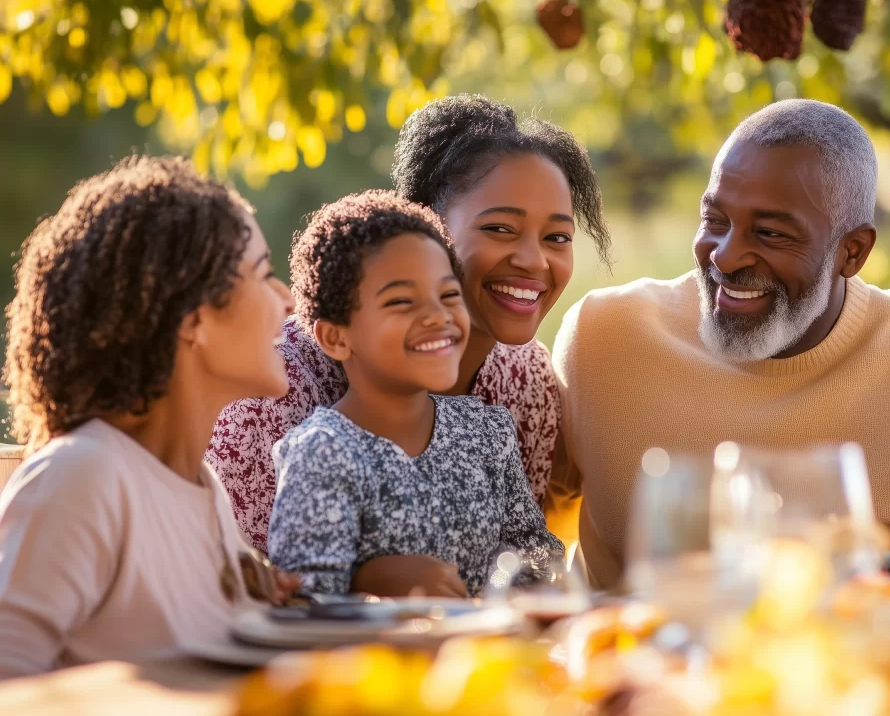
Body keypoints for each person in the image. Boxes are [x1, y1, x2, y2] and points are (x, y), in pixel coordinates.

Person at [550, 99, 890, 590]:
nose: (727, 256)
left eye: (771, 233)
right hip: (625, 660)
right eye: (715, 220)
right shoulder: (604, 336)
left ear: (852, 252)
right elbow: (516, 522)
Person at [207, 94, 611, 565]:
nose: (534, 261)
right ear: (422, 226)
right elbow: (260, 588)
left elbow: (527, 562)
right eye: (500, 228)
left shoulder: (524, 386)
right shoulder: (274, 388)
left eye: (557, 238)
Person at [0, 156, 298, 677]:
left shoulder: (204, 488)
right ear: (194, 320)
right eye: (264, 274)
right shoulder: (83, 478)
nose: (287, 301)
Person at [267, 192, 563, 598]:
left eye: (448, 295)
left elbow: (539, 563)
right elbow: (303, 604)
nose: (437, 316)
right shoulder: (323, 453)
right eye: (402, 301)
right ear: (335, 337)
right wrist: (367, 582)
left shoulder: (487, 434)